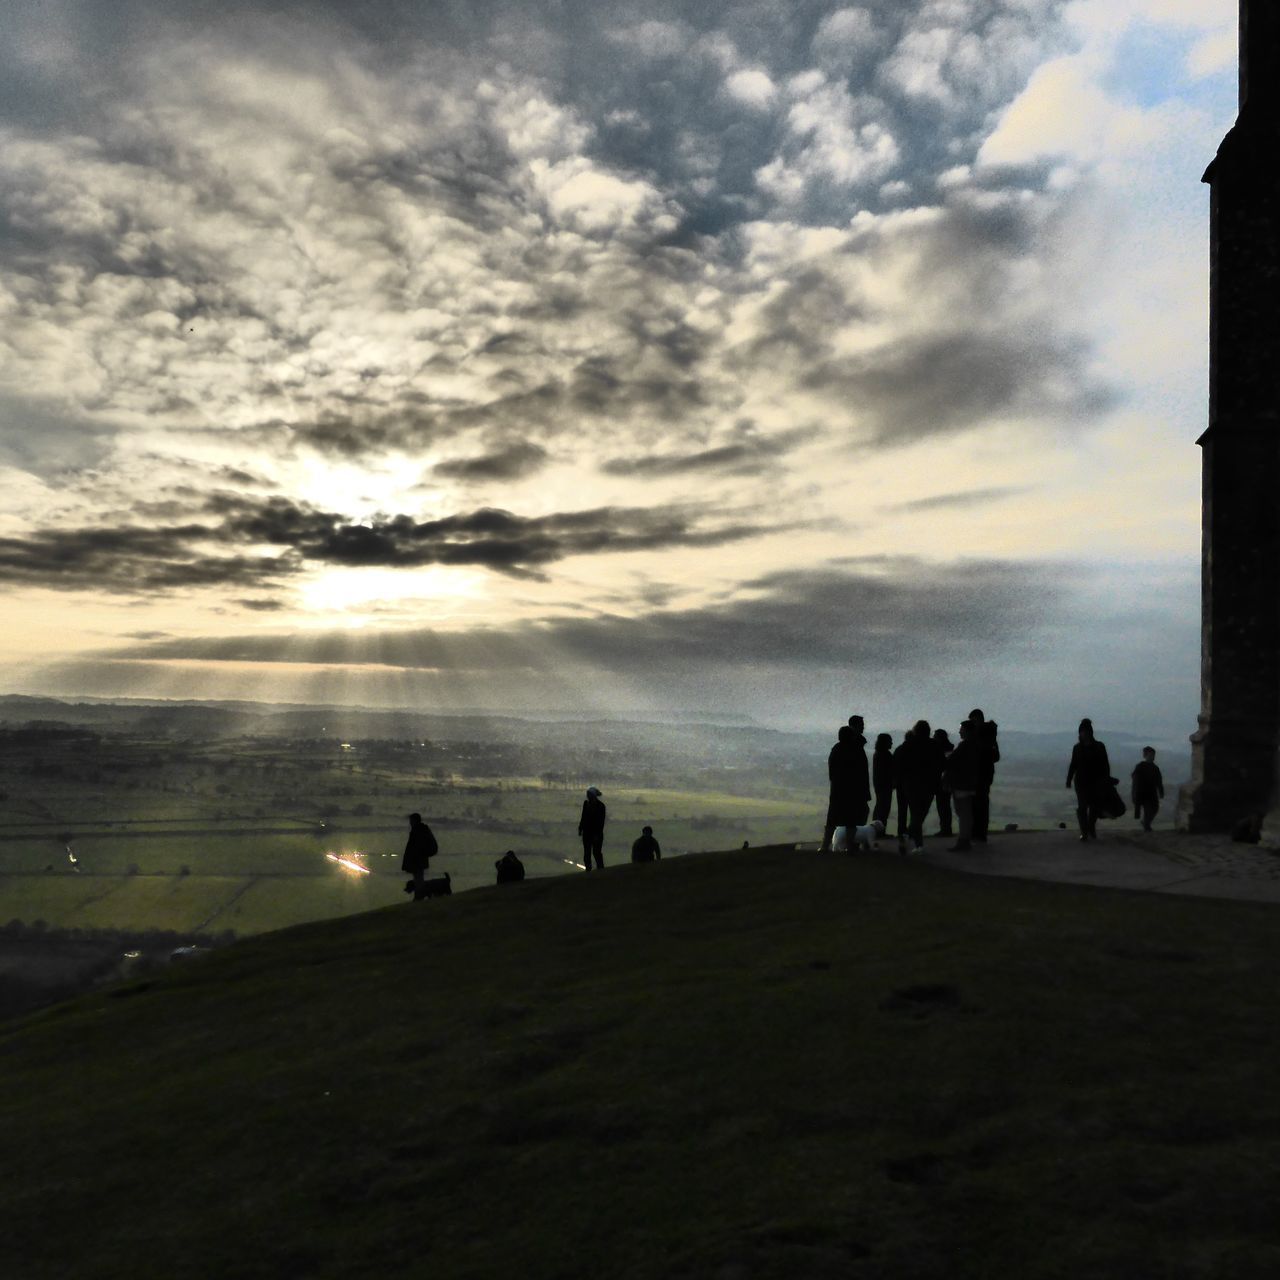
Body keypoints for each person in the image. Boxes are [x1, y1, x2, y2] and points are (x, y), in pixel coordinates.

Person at [897, 721, 943, 853]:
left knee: (916, 813)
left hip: (910, 785)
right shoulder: (935, 745)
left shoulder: (907, 746)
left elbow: (899, 765)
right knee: (920, 815)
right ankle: (916, 843)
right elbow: (942, 763)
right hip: (929, 785)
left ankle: (915, 842)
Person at [1066, 718, 1111, 841]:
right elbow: (1073, 764)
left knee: (1094, 806)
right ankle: (1084, 832)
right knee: (1082, 806)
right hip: (1081, 782)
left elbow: (1105, 765)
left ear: (1090, 733)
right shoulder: (1077, 748)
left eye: (1086, 732)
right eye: (1082, 732)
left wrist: (1105, 779)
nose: (1084, 734)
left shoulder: (1099, 747)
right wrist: (1069, 779)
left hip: (1096, 782)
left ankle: (1090, 828)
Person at [942, 721, 979, 851]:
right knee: (966, 813)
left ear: (967, 731)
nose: (959, 731)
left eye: (961, 729)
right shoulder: (975, 745)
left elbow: (951, 761)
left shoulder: (965, 745)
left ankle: (963, 840)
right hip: (969, 783)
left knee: (963, 813)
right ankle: (965, 839)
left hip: (961, 784)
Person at [967, 709, 1000, 843]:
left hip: (979, 773)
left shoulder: (980, 735)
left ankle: (977, 833)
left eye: (972, 720)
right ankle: (980, 833)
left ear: (977, 719)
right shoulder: (990, 736)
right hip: (986, 773)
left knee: (977, 804)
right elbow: (995, 756)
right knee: (981, 803)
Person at [402, 812, 439, 900]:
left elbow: (415, 847)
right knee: (418, 878)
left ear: (415, 821)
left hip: (417, 860)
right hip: (419, 859)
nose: (410, 822)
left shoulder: (418, 830)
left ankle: (419, 896)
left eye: (411, 820)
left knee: (418, 878)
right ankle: (419, 895)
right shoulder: (420, 830)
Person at [1131, 747, 1165, 832]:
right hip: (1143, 793)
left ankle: (1146, 823)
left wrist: (1161, 792)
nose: (1152, 757)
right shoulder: (1140, 766)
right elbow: (1135, 779)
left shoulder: (1155, 768)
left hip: (1152, 793)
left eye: (1153, 755)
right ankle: (1147, 826)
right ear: (1145, 756)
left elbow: (1159, 781)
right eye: (1150, 755)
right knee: (1148, 810)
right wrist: (1136, 793)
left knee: (1154, 809)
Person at [892, 728, 914, 850]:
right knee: (914, 810)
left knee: (902, 809)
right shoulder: (915, 751)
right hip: (912, 785)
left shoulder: (899, 750)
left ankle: (901, 832)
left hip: (900, 784)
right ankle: (911, 832)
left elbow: (894, 767)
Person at [932, 727, 955, 837]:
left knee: (943, 806)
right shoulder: (948, 749)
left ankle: (945, 829)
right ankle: (946, 828)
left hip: (943, 781)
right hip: (946, 781)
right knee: (944, 806)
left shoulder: (942, 750)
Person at [578, 786, 606, 870]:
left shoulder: (600, 806)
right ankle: (589, 869)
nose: (587, 796)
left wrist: (597, 834)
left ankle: (600, 869)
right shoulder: (587, 804)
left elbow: (600, 822)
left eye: (589, 794)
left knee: (596, 852)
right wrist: (580, 828)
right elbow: (583, 817)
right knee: (588, 852)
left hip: (595, 833)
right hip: (588, 833)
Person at [872, 733, 894, 830]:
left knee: (881, 807)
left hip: (880, 785)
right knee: (883, 808)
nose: (892, 743)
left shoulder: (878, 754)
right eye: (890, 741)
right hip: (885, 785)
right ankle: (879, 831)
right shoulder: (885, 754)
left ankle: (878, 831)